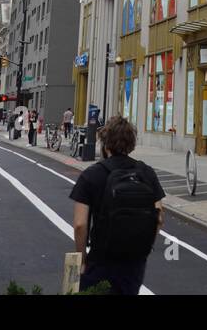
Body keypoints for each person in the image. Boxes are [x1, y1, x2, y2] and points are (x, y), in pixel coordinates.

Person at [70, 116, 165, 294]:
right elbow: (159, 217)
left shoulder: (91, 175)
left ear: (105, 143)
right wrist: (144, 246)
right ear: (131, 143)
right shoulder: (146, 172)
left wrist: (82, 261)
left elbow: (80, 225)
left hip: (100, 261)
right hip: (134, 263)